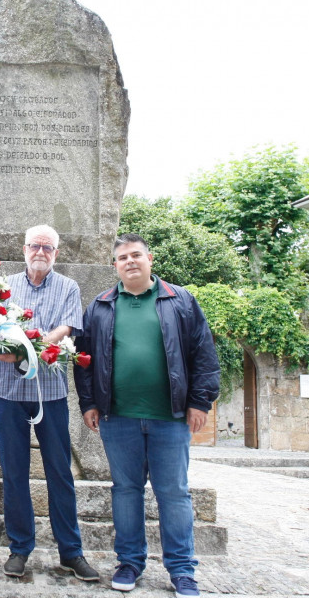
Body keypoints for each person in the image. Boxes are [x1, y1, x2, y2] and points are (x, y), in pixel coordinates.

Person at [74, 233, 220, 598]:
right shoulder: (101, 306)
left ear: (150, 259)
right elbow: (84, 360)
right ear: (115, 266)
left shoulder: (180, 301)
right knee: (125, 491)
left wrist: (200, 402)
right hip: (117, 417)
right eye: (122, 257)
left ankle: (182, 570)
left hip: (169, 418)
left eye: (136, 255)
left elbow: (203, 353)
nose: (130, 261)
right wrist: (89, 403)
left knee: (174, 493)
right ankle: (130, 562)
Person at [0, 224, 99, 582]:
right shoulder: (3, 286)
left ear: (56, 253)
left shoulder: (69, 287)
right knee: (15, 473)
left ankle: (71, 551)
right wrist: (15, 351)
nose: (40, 252)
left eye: (48, 247)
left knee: (59, 472)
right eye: (35, 245)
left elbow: (66, 329)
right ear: (23, 249)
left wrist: (27, 351)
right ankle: (20, 548)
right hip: (8, 394)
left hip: (50, 395)